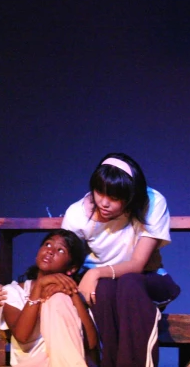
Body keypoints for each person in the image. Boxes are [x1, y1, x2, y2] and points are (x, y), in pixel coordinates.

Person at [61, 153, 181, 367]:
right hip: (99, 290)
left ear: (131, 196)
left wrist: (95, 272)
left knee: (129, 284)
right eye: (99, 192)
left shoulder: (152, 202)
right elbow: (63, 263)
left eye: (115, 198)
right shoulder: (77, 215)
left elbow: (137, 264)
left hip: (146, 281)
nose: (104, 203)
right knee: (105, 290)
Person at [0, 230, 98, 366]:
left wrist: (73, 295)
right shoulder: (12, 292)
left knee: (58, 299)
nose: (50, 251)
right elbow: (22, 336)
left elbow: (92, 343)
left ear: (72, 268)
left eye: (60, 250)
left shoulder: (72, 297)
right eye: (47, 244)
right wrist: (39, 287)